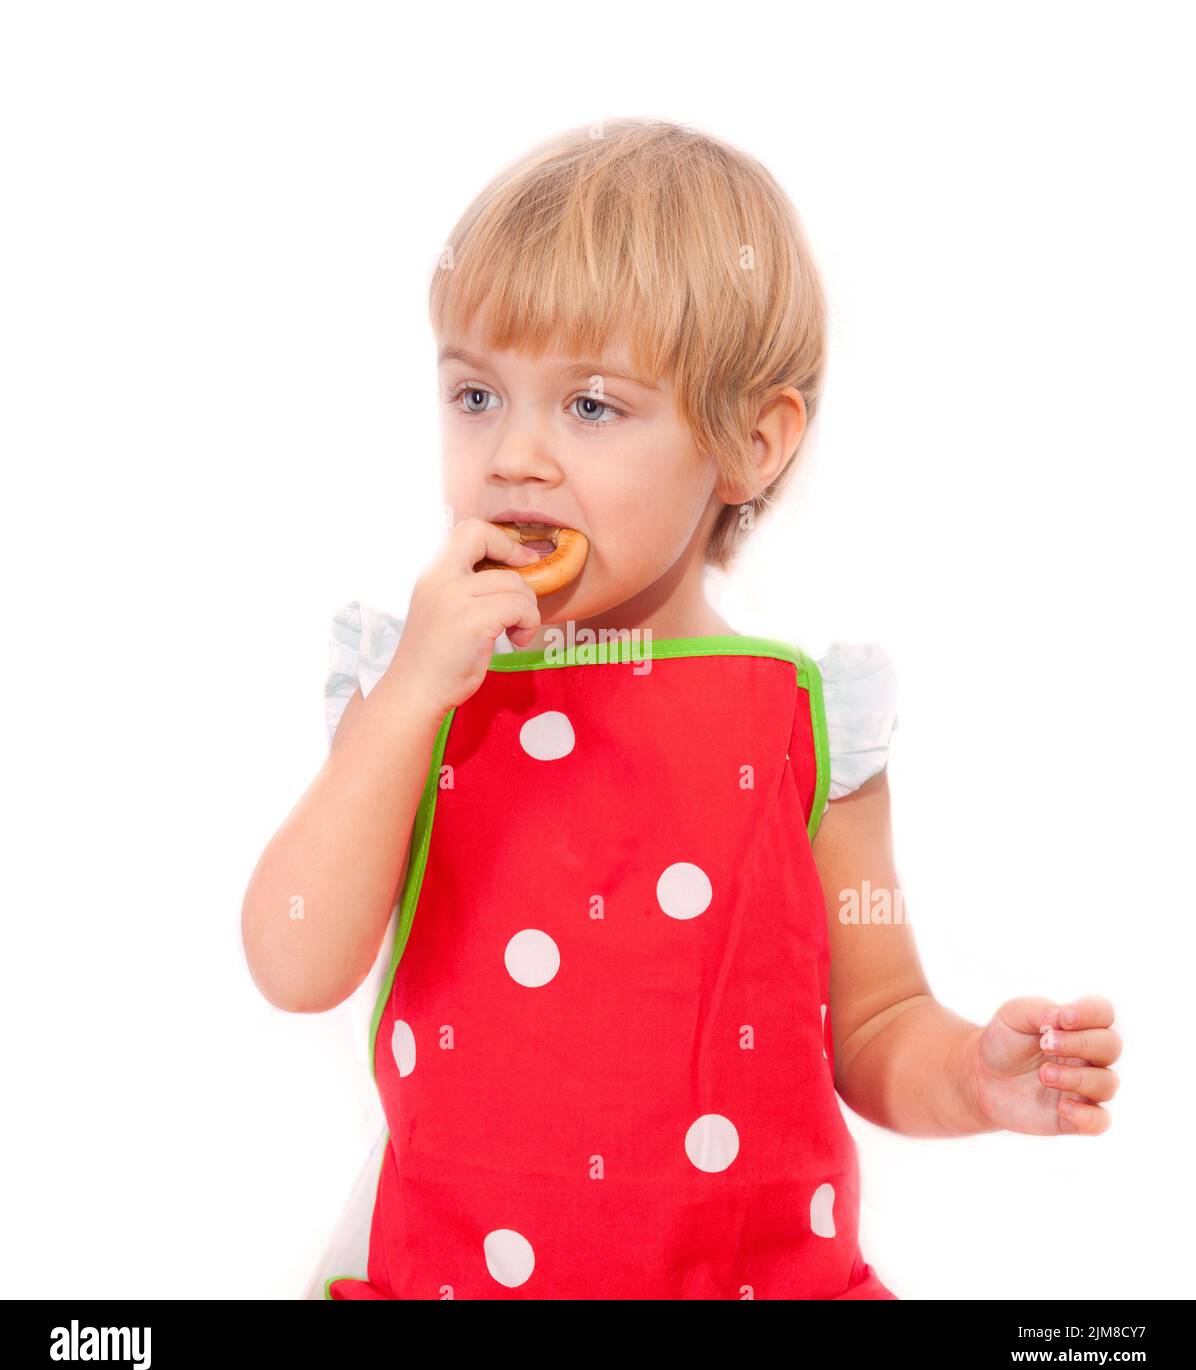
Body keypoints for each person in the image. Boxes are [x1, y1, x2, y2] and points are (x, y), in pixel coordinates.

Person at [242, 118, 1120, 1301]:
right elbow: (293, 961)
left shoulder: (811, 724)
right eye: (475, 394)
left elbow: (873, 1021)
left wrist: (969, 1075)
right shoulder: (420, 700)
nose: (514, 457)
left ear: (750, 443)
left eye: (591, 408)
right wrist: (404, 698)